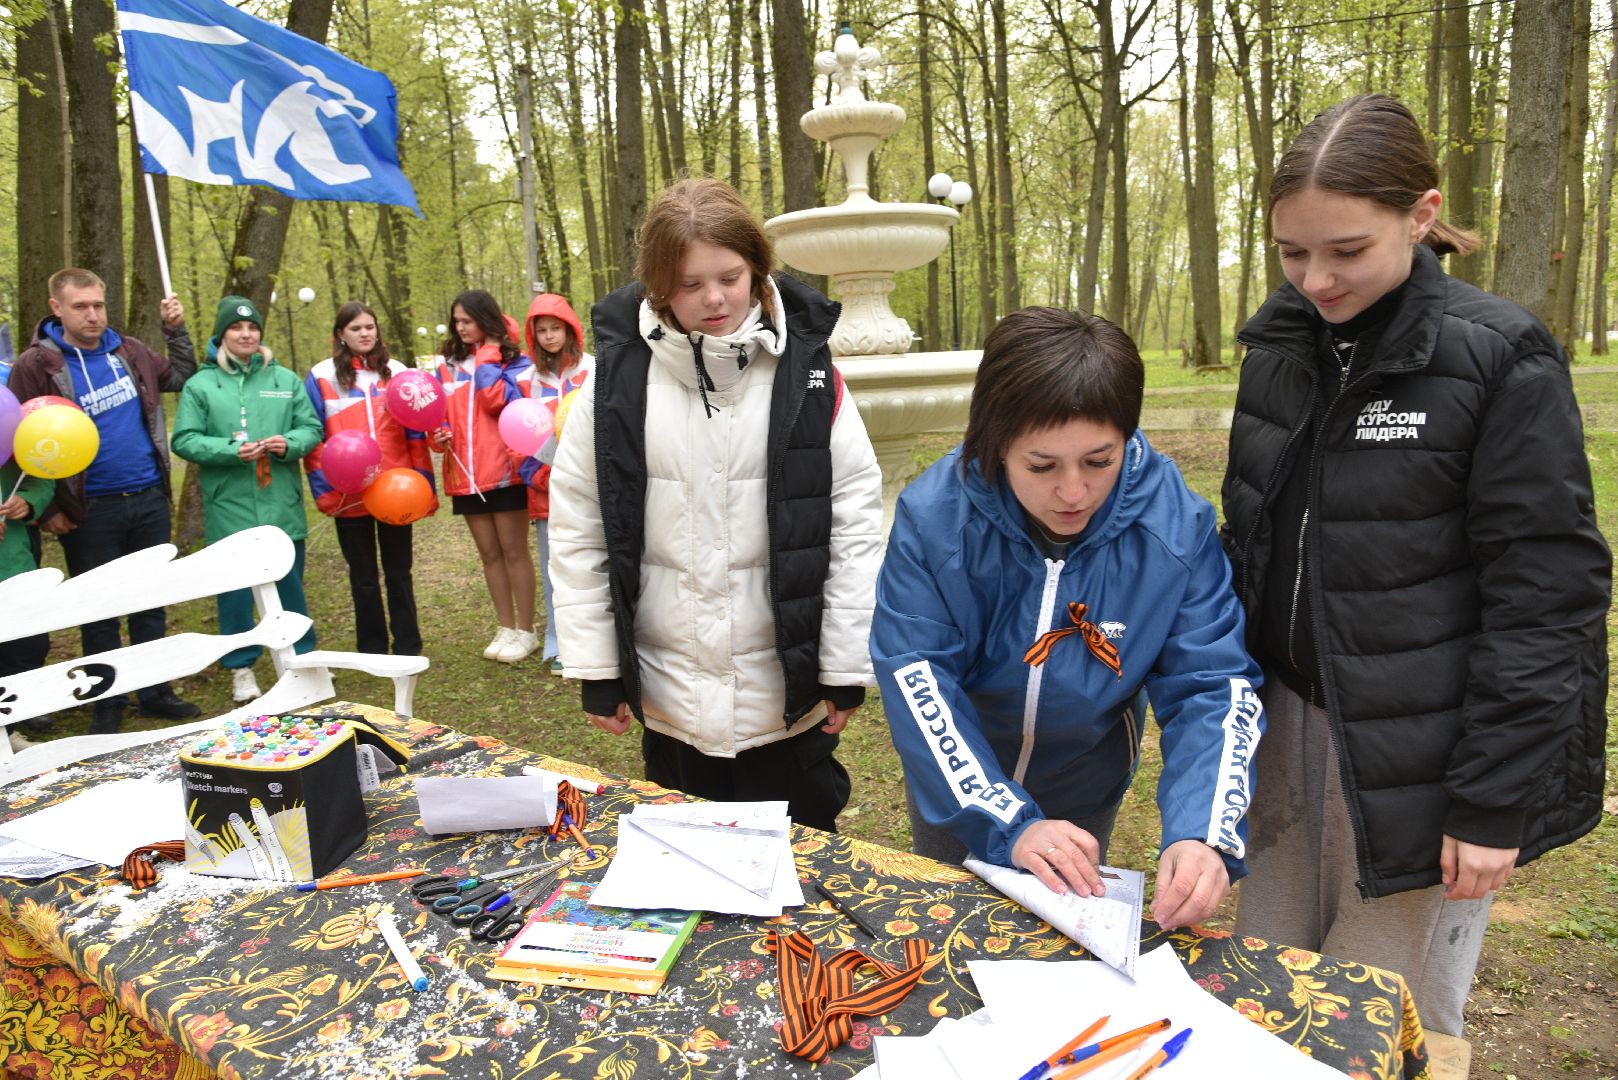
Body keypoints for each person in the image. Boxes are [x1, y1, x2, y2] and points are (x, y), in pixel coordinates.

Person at [1220, 94, 1610, 1037]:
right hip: (1287, 730)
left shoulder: (1499, 356)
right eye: (1291, 252)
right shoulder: (1276, 350)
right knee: (1265, 1001)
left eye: (1346, 250)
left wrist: (1491, 803)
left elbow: (1547, 598)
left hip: (1426, 759)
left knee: (1382, 1025)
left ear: (1423, 215)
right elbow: (1253, 542)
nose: (1314, 278)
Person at [870, 307, 1263, 930]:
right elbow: (917, 678)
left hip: (1086, 777)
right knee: (952, 936)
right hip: (962, 782)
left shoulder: (1175, 528)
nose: (1073, 493)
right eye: (1042, 466)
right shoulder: (933, 519)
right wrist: (1008, 820)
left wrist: (1203, 831)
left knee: (1060, 942)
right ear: (997, 444)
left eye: (1099, 461)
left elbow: (1212, 685)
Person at [548, 178, 884, 832]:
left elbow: (853, 527)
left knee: (801, 876)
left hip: (785, 706)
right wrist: (598, 669)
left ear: (758, 270)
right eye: (689, 283)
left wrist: (844, 669)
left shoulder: (811, 378)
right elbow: (579, 526)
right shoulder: (615, 384)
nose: (713, 298)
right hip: (673, 701)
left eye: (729, 277)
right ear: (657, 288)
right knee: (691, 870)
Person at [9, 268, 201, 733]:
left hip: (148, 494)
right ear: (57, 307)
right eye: (81, 307)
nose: (93, 314)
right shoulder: (36, 365)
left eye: (98, 304)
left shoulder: (129, 350)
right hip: (89, 508)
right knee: (98, 610)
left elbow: (181, 375)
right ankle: (107, 700)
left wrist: (176, 331)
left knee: (151, 601)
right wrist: (48, 507)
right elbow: (18, 441)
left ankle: (155, 690)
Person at [172, 296, 323, 702]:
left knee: (290, 584)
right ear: (222, 335)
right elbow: (184, 438)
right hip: (229, 504)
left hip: (280, 501)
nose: (245, 334)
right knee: (236, 591)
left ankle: (303, 658)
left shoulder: (284, 379)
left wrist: (288, 442)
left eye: (252, 328)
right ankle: (241, 667)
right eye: (237, 328)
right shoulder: (201, 384)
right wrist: (228, 449)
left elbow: (311, 428)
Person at [304, 302, 436, 656]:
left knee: (399, 571)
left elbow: (415, 436)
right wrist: (324, 491)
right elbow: (314, 438)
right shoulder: (321, 376)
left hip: (396, 489)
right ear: (340, 336)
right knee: (362, 575)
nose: (364, 333)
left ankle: (408, 644)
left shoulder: (397, 372)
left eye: (369, 327)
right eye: (355, 329)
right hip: (348, 491)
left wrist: (425, 485)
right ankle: (372, 646)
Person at [432, 290, 537, 664]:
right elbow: (436, 416)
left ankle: (527, 630)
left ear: (485, 320)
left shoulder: (513, 360)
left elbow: (499, 403)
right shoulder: (445, 366)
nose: (459, 328)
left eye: (467, 321)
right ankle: (505, 626)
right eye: (456, 321)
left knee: (513, 551)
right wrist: (438, 434)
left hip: (505, 471)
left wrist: (490, 352)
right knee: (489, 554)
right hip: (465, 474)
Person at [518, 292, 593, 675]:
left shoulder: (594, 370)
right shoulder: (525, 381)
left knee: (595, 565)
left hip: (591, 488)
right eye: (542, 330)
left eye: (556, 328)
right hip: (546, 491)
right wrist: (541, 476)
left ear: (570, 329)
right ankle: (557, 640)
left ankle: (596, 643)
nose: (549, 337)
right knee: (554, 567)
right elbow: (518, 437)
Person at [0, 460, 54, 742]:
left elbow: (41, 477)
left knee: (28, 646)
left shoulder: (9, 423)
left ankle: (9, 726)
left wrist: (28, 501)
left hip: (13, 561)